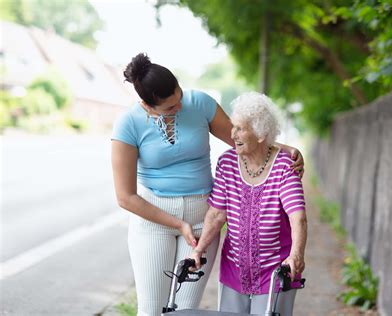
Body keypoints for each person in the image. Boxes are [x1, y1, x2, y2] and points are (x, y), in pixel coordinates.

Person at [111, 53, 304, 316]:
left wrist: (286, 150)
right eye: (169, 107)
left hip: (203, 218)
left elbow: (244, 138)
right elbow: (125, 197)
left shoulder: (199, 103)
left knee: (186, 309)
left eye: (179, 97)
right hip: (154, 222)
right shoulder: (128, 124)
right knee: (152, 308)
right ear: (147, 106)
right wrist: (178, 224)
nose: (179, 107)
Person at [190, 92, 307, 315]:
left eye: (240, 129)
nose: (232, 134)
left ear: (262, 134)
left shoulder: (284, 166)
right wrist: (199, 250)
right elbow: (216, 214)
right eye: (233, 127)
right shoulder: (227, 163)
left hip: (276, 270)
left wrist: (296, 255)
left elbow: (298, 217)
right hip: (234, 267)